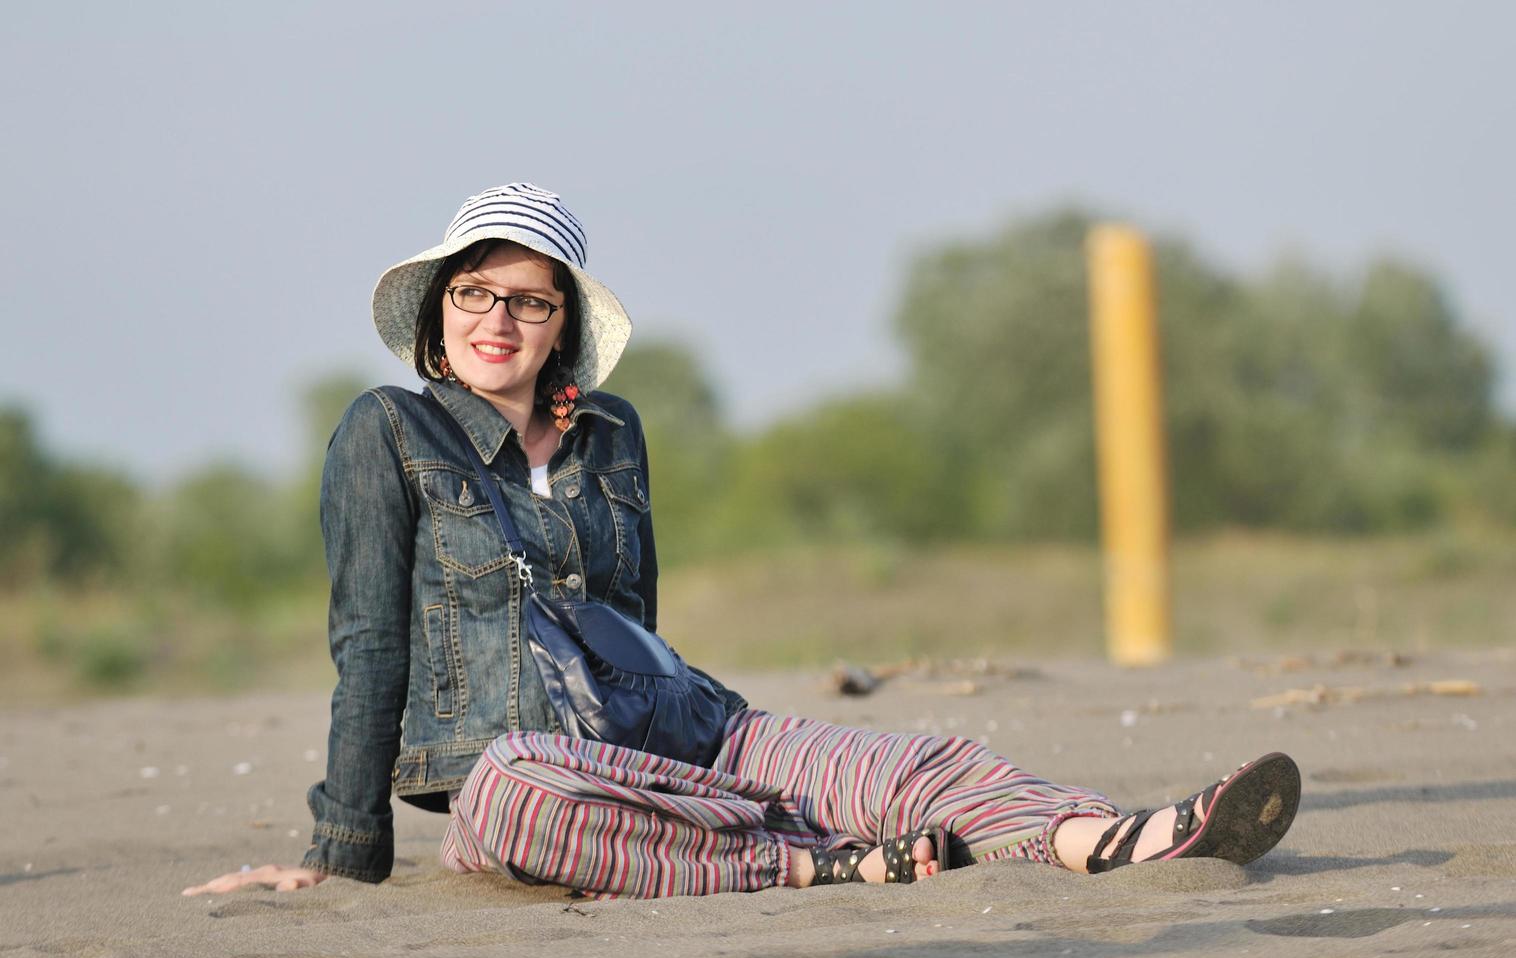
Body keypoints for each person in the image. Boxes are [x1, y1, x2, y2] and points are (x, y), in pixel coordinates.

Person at [184, 183, 1300, 900]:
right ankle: (811, 851)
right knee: (521, 789)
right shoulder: (386, 428)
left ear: (563, 319)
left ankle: (1120, 838)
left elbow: (637, 625)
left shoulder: (611, 432)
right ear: (438, 312)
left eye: (528, 300)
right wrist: (342, 855)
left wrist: (698, 749)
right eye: (474, 292)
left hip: (681, 739)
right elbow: (370, 641)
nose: (497, 320)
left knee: (918, 759)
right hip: (519, 773)